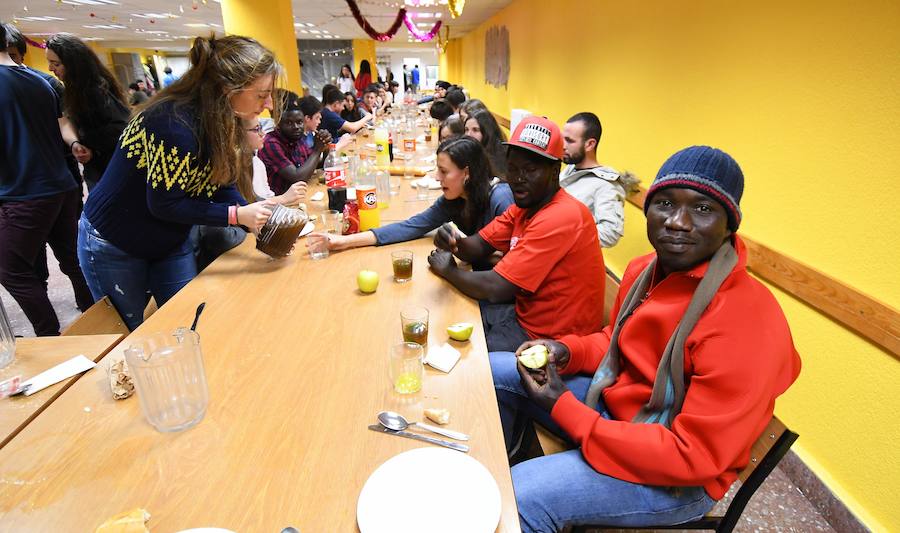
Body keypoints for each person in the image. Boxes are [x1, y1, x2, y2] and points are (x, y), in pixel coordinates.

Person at [489, 145, 802, 532]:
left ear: (729, 226)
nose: (677, 222)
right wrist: (567, 350)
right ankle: (492, 465)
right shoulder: (645, 270)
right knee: (496, 368)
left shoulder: (746, 322)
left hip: (676, 478)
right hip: (619, 413)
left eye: (702, 209)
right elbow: (616, 340)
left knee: (517, 498)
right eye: (666, 203)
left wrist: (566, 408)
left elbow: (693, 457)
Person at [77, 35, 280, 331]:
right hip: (115, 240)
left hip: (169, 238)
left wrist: (251, 215)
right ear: (227, 87)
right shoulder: (171, 123)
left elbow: (221, 181)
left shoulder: (224, 117)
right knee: (130, 334)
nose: (269, 104)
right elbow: (164, 203)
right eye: (262, 95)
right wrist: (236, 215)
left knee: (189, 323)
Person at [427, 116, 605, 352]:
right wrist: (451, 240)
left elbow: (495, 288)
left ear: (554, 171)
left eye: (530, 170)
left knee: (462, 361)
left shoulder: (562, 215)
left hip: (551, 343)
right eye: (513, 168)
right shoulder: (524, 208)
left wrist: (448, 270)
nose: (519, 179)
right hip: (523, 316)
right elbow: (476, 247)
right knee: (442, 324)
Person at [1, 21, 94, 336]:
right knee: (68, 258)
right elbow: (62, 124)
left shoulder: (39, 83)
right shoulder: (41, 82)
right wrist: (74, 143)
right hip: (58, 186)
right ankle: (96, 319)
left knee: (11, 268)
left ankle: (49, 336)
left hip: (26, 192)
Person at [308, 136, 513, 271]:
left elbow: (513, 264)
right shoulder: (455, 199)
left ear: (466, 173)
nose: (436, 177)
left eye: (444, 171)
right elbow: (410, 227)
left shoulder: (500, 199)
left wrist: (467, 250)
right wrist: (342, 242)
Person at [46, 33, 130, 192]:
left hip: (109, 170)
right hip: (103, 168)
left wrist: (88, 143)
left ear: (73, 64)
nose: (51, 69)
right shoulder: (80, 89)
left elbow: (120, 127)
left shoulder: (93, 90)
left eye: (55, 64)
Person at [561, 112, 636, 248]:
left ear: (590, 144)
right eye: (563, 139)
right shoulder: (570, 168)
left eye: (570, 141)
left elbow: (610, 233)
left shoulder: (606, 185)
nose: (563, 145)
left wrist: (562, 236)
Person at [258, 96, 336, 195]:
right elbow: (297, 177)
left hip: (299, 195)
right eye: (289, 123)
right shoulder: (271, 143)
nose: (296, 127)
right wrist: (317, 149)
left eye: (299, 122)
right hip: (279, 202)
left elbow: (311, 165)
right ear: (278, 124)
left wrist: (324, 146)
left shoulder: (298, 138)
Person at [465, 110, 508, 179]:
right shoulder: (468, 153)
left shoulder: (500, 158)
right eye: (466, 130)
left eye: (475, 130)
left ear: (487, 132)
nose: (468, 134)